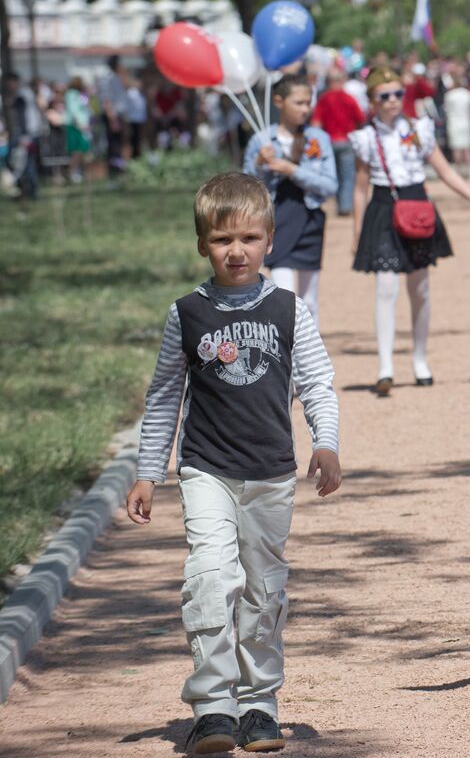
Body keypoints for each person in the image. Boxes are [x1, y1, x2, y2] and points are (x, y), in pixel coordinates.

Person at [123, 172, 341, 755]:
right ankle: (214, 705)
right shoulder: (186, 314)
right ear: (202, 244)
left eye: (248, 237)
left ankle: (259, 703)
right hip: (206, 470)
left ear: (270, 238)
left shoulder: (291, 310)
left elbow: (318, 383)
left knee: (262, 588)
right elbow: (165, 395)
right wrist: (148, 471)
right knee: (212, 578)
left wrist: (327, 443)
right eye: (222, 240)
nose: (236, 250)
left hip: (271, 472)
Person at [350, 65, 470, 394]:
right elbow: (359, 187)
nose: (393, 101)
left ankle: (420, 358)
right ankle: (385, 365)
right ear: (372, 101)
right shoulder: (366, 138)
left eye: (397, 94)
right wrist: (356, 232)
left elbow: (444, 170)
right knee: (385, 288)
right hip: (383, 208)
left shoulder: (419, 130)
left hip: (417, 205)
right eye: (384, 96)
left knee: (419, 288)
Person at [243, 74, 338, 328]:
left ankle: (310, 360)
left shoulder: (319, 139)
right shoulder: (261, 141)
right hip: (276, 223)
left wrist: (292, 170)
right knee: (285, 296)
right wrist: (260, 165)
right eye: (298, 103)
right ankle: (285, 359)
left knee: (309, 301)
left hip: (309, 220)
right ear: (278, 101)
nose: (305, 109)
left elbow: (330, 185)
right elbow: (246, 190)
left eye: (308, 103)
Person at [311, 68, 367, 216]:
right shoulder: (349, 98)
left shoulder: (324, 98)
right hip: (346, 141)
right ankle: (345, 206)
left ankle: (338, 202)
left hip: (329, 143)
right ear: (342, 81)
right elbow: (361, 119)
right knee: (348, 176)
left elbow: (316, 122)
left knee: (333, 175)